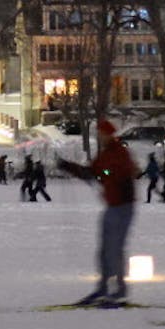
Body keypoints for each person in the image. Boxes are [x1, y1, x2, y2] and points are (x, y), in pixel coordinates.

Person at [58, 119, 139, 305]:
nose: (100, 137)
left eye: (102, 134)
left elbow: (119, 174)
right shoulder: (105, 154)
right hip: (112, 207)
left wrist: (105, 175)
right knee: (104, 250)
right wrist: (69, 167)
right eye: (99, 134)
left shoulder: (120, 153)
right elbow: (93, 172)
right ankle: (103, 288)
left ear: (109, 135)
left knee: (114, 249)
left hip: (123, 207)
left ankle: (119, 290)